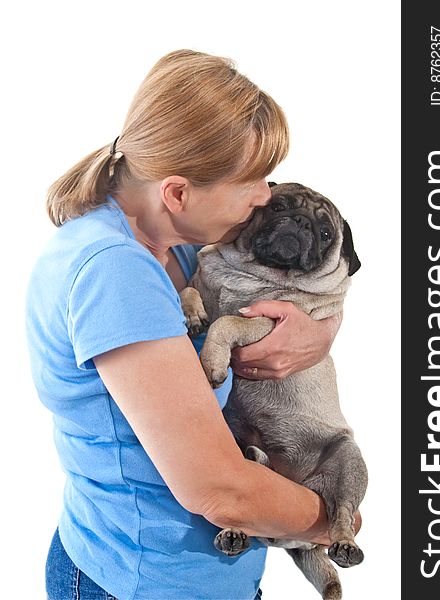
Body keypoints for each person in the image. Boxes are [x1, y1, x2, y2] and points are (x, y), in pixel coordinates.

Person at [25, 49, 354, 600]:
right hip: (145, 582)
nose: (265, 198)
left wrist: (319, 331)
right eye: (252, 181)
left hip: (199, 573)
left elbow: (309, 282)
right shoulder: (115, 274)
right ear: (176, 191)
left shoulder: (172, 241)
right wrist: (333, 520)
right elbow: (220, 490)